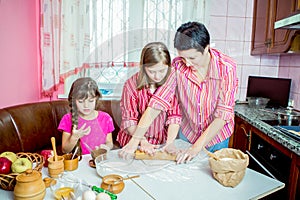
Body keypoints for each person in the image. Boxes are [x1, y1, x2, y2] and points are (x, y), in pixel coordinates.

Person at [119, 22, 238, 163]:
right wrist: (135, 140)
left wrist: (195, 149)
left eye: (192, 58)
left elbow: (223, 115)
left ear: (206, 49)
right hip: (187, 134)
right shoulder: (177, 66)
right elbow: (157, 103)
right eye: (183, 58)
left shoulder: (227, 68)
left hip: (217, 137)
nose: (186, 63)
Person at [117, 42, 181, 154]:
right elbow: (129, 120)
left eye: (162, 71)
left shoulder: (171, 84)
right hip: (133, 142)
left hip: (160, 142)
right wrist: (142, 141)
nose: (157, 76)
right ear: (143, 67)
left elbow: (174, 117)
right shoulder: (131, 85)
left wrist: (170, 143)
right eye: (151, 71)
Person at [58, 77, 114, 155]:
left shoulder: (106, 118)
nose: (86, 105)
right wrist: (74, 137)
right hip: (80, 163)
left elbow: (109, 142)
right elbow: (65, 150)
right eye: (81, 101)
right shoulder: (67, 119)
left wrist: (107, 147)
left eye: (91, 101)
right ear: (73, 101)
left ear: (96, 99)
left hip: (99, 160)